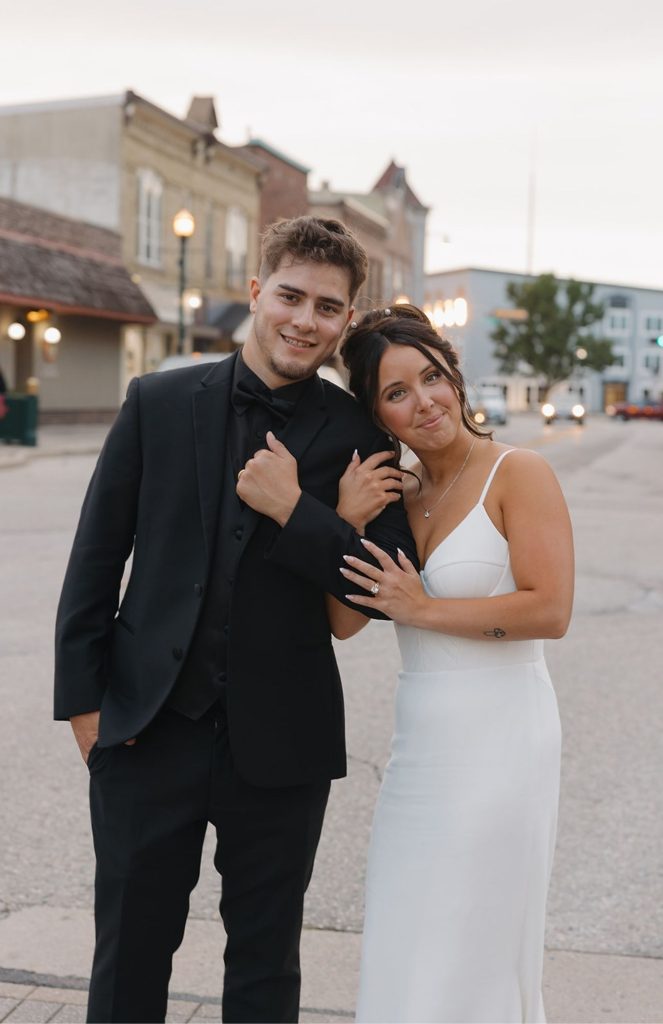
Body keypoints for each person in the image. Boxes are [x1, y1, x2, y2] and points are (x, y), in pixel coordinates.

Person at [54, 217, 417, 1024]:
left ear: (345, 321)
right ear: (256, 292)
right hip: (147, 729)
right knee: (128, 958)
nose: (304, 320)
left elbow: (378, 591)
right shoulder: (156, 400)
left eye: (327, 307)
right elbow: (94, 560)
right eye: (290, 295)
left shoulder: (361, 436)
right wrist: (88, 713)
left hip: (283, 742)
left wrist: (304, 515)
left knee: (264, 962)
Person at [329, 305, 573, 1023]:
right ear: (379, 415)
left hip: (502, 734)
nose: (424, 401)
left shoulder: (516, 472)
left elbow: (549, 610)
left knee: (473, 935)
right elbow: (344, 623)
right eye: (395, 392)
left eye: (430, 377)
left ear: (454, 377)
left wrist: (423, 609)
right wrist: (344, 522)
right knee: (407, 932)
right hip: (421, 746)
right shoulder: (395, 494)